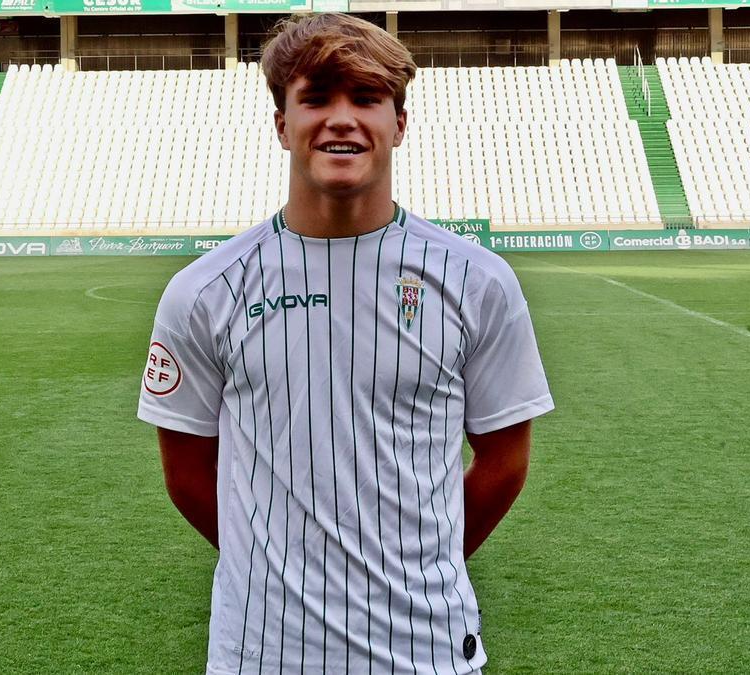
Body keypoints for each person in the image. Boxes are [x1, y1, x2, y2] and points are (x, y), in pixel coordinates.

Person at [137, 13, 553, 673]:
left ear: (399, 123)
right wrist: (276, 567)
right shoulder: (205, 292)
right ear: (282, 124)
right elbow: (186, 473)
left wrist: (412, 567)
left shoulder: (478, 282)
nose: (341, 119)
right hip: (260, 653)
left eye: (365, 98)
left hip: (426, 651)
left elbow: (504, 462)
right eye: (316, 98)